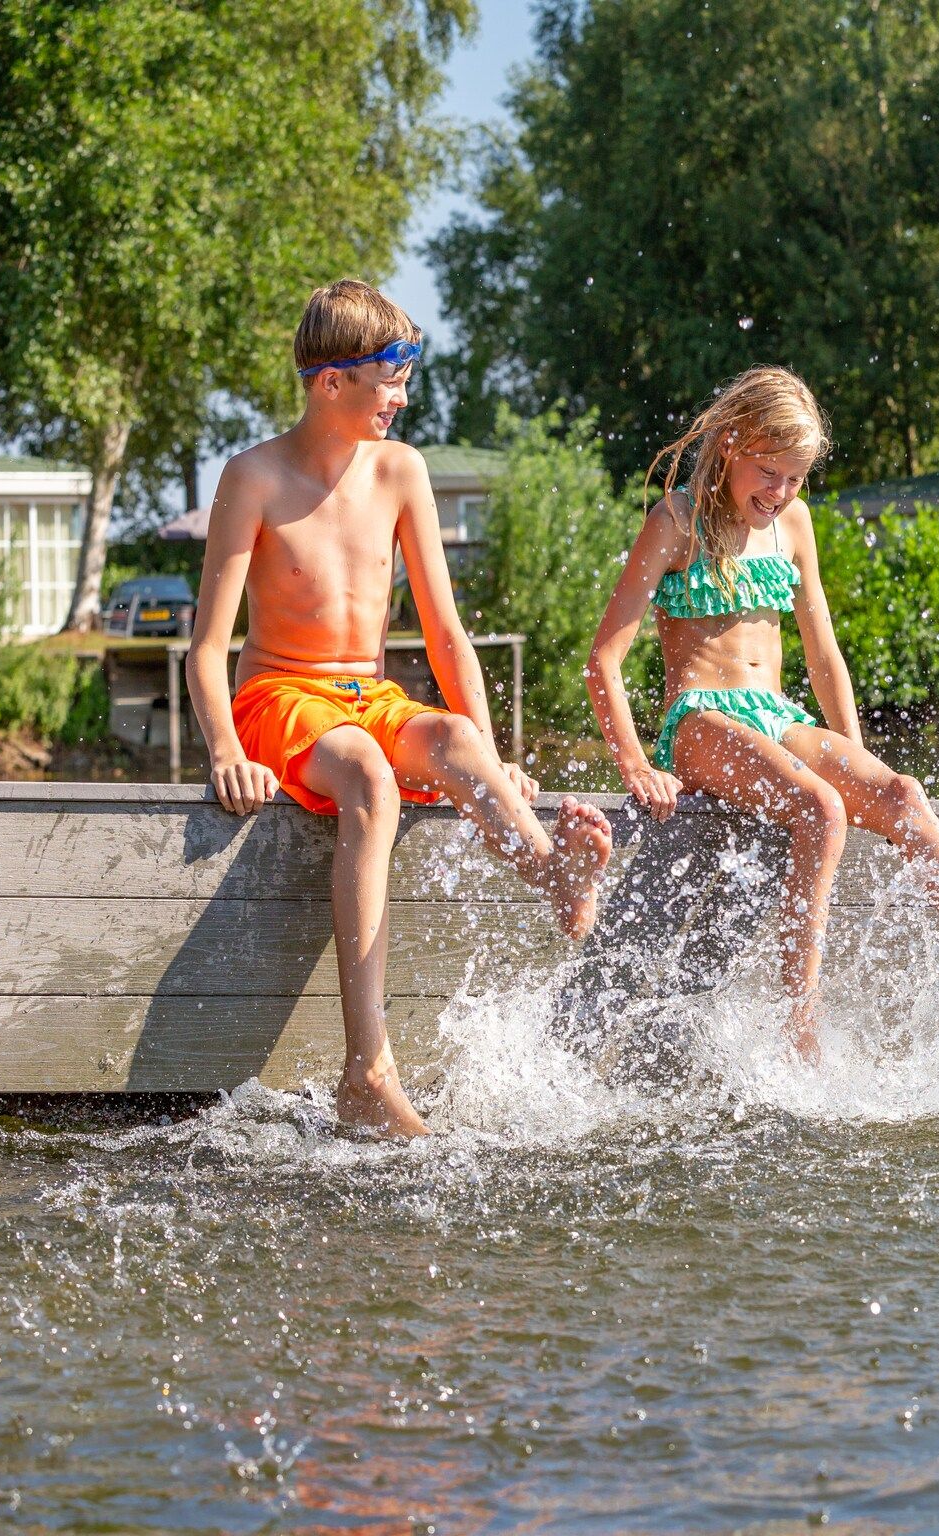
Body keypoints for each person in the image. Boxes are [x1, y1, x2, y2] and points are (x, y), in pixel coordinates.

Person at [185, 279, 614, 1137]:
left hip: (368, 695)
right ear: (329, 381)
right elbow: (205, 648)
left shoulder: (402, 470)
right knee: (369, 775)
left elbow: (447, 635)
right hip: (280, 696)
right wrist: (226, 749)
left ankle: (552, 873)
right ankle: (367, 1068)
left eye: (405, 378)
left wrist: (492, 755)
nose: (402, 398)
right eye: (389, 380)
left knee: (452, 736)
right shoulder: (253, 477)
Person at [585, 366, 939, 1060]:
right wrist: (635, 763)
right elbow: (604, 659)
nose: (781, 492)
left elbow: (823, 655)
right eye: (769, 472)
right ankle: (800, 1028)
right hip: (701, 721)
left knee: (902, 795)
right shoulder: (676, 522)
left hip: (775, 714)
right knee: (820, 809)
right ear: (730, 444)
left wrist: (857, 759)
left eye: (795, 478)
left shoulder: (792, 523)